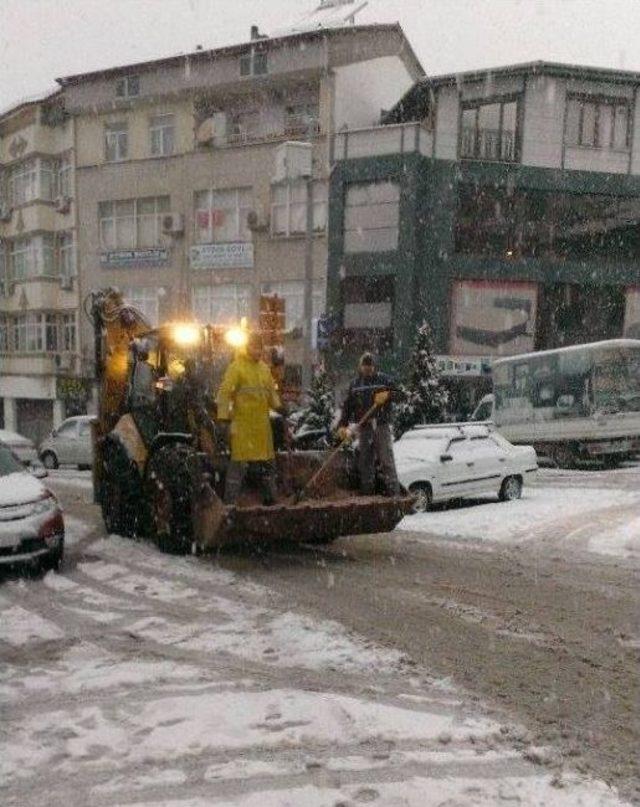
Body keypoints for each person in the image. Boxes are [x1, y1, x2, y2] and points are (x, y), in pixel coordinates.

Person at [217, 332, 282, 505]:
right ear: (248, 348)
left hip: (261, 427)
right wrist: (223, 417)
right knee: (238, 466)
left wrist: (280, 407)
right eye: (254, 347)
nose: (258, 351)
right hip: (244, 427)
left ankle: (271, 501)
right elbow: (224, 393)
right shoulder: (236, 368)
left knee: (268, 465)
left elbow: (271, 393)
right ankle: (229, 504)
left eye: (260, 347)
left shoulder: (264, 369)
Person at [337, 352, 400, 496]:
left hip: (381, 426)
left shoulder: (384, 380)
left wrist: (389, 395)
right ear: (360, 367)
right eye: (365, 366)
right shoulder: (355, 385)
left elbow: (401, 394)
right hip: (364, 428)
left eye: (370, 366)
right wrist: (342, 425)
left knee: (386, 461)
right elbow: (347, 407)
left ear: (374, 366)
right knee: (365, 463)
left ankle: (394, 495)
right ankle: (368, 495)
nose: (368, 369)